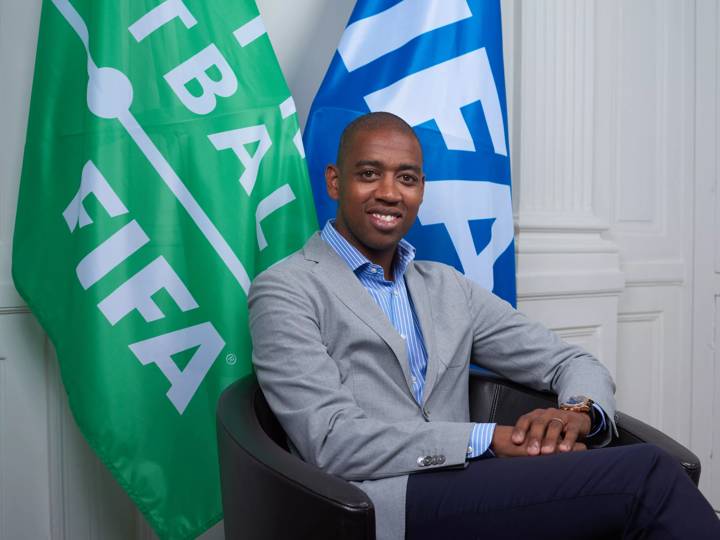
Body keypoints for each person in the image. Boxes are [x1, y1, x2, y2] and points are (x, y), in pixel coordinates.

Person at [248, 112, 720, 539]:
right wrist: (491, 438)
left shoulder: (446, 287)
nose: (389, 193)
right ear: (334, 181)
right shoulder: (285, 289)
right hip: (379, 501)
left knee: (626, 495)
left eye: (406, 178)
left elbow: (569, 360)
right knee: (646, 477)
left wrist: (574, 413)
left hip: (471, 486)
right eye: (369, 174)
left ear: (421, 189)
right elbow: (331, 440)